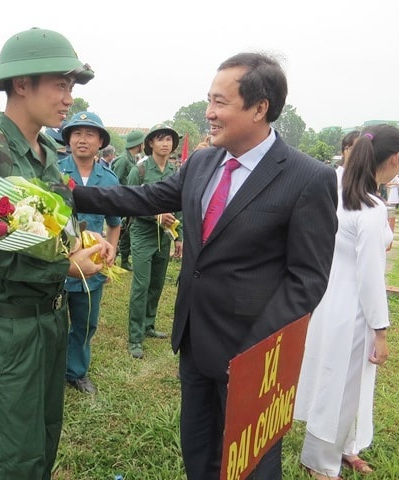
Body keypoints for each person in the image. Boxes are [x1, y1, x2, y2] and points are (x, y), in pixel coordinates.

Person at [71, 52, 338, 479]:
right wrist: (72, 195)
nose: (208, 114)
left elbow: (307, 280)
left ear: (259, 108)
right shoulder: (203, 161)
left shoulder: (307, 178)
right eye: (207, 101)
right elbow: (146, 199)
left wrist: (254, 350)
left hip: (252, 355)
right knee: (199, 450)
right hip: (195, 340)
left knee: (251, 464)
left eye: (219, 103)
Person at [0, 27, 112, 479]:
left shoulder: (46, 153)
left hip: (52, 317)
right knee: (12, 454)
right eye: (61, 85)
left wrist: (85, 244)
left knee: (44, 436)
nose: (68, 99)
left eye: (72, 88)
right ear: (22, 84)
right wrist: (63, 265)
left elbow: (57, 226)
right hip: (13, 321)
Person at [294, 125, 399, 479]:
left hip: (328, 298)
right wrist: (381, 331)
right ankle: (320, 462)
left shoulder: (342, 194)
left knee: (337, 378)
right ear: (396, 159)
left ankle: (342, 447)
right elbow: (370, 279)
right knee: (339, 384)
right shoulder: (368, 208)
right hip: (352, 307)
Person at [58, 112, 121, 394]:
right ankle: (50, 369)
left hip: (92, 265)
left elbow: (114, 223)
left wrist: (110, 256)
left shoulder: (108, 179)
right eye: (77, 134)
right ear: (68, 139)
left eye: (90, 134)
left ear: (100, 142)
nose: (82, 140)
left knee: (86, 323)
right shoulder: (54, 172)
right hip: (58, 262)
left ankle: (76, 371)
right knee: (54, 323)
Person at [125, 123, 183, 359]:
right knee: (141, 285)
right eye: (160, 139)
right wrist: (155, 215)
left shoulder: (175, 172)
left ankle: (148, 324)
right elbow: (128, 202)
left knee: (157, 283)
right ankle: (135, 336)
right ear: (150, 143)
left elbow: (180, 205)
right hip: (142, 233)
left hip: (166, 236)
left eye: (169, 139)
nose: (165, 143)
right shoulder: (139, 170)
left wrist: (181, 237)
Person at [111, 130, 145, 271]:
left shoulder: (132, 159)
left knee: (126, 232)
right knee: (118, 232)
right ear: (138, 144)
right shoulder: (123, 160)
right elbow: (114, 181)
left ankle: (124, 260)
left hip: (128, 202)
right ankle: (112, 258)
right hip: (120, 202)